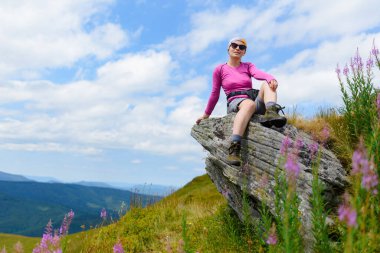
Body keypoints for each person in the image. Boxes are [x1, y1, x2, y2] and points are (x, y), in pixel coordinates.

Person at [196, 37, 286, 166]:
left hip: (252, 99)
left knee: (267, 84)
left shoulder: (248, 66)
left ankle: (271, 112)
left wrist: (270, 78)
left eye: (242, 47)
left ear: (244, 52)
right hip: (235, 102)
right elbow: (215, 93)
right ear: (229, 48)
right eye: (234, 45)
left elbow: (257, 73)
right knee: (248, 104)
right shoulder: (220, 69)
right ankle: (234, 148)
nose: (238, 48)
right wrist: (206, 115)